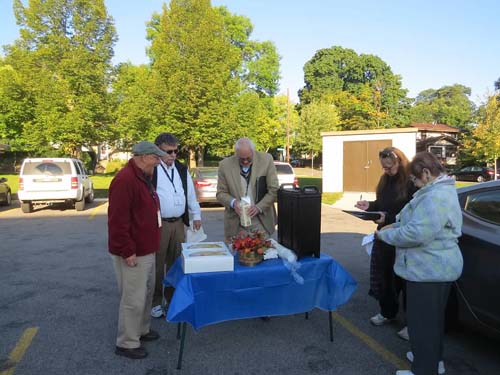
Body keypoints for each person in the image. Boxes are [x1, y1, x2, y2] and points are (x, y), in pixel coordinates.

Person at [377, 151, 463, 375]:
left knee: (422, 325)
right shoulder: (437, 191)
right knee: (432, 322)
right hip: (433, 269)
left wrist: (385, 235)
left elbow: (417, 233)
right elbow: (413, 220)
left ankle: (424, 369)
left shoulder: (435, 197)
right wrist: (395, 225)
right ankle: (433, 361)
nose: (413, 184)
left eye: (414, 179)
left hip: (429, 271)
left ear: (426, 173)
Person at [108, 141, 166, 359]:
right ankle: (127, 342)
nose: (159, 162)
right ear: (144, 157)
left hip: (145, 248)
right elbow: (118, 221)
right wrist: (127, 251)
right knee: (133, 299)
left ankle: (141, 330)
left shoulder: (142, 177)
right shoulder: (125, 180)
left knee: (145, 294)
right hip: (133, 252)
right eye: (156, 158)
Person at [355, 147, 415, 340]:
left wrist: (386, 217)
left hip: (403, 237)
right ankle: (388, 312)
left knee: (405, 282)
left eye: (390, 167)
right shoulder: (385, 180)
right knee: (386, 277)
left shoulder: (411, 183)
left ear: (400, 162)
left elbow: (409, 213)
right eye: (384, 167)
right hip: (385, 237)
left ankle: (411, 324)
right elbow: (382, 205)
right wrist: (370, 207)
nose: (387, 171)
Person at [150, 133, 202, 318]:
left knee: (176, 264)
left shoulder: (180, 168)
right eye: (168, 152)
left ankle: (172, 298)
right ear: (158, 151)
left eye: (176, 151)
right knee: (157, 265)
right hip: (159, 225)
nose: (173, 155)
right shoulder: (152, 169)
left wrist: (196, 215)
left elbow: (190, 194)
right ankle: (155, 301)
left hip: (178, 223)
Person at [216, 137, 279, 242]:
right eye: (241, 159)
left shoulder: (266, 160)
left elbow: (274, 190)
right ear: (236, 153)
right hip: (235, 224)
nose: (245, 161)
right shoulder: (224, 165)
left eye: (248, 158)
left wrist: (259, 207)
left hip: (260, 221)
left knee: (263, 253)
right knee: (238, 256)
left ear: (253, 151)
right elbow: (220, 193)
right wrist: (233, 203)